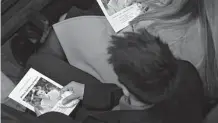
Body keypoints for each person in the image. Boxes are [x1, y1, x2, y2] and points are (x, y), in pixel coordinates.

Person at [51, 0, 218, 100]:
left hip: (136, 62)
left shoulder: (167, 35)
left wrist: (143, 10)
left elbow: (129, 49)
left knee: (66, 24)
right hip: (162, 24)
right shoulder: (207, 1)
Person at [25, 29, 203, 123]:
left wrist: (49, 119)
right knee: (38, 63)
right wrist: (87, 92)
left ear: (126, 89)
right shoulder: (185, 71)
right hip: (117, 112)